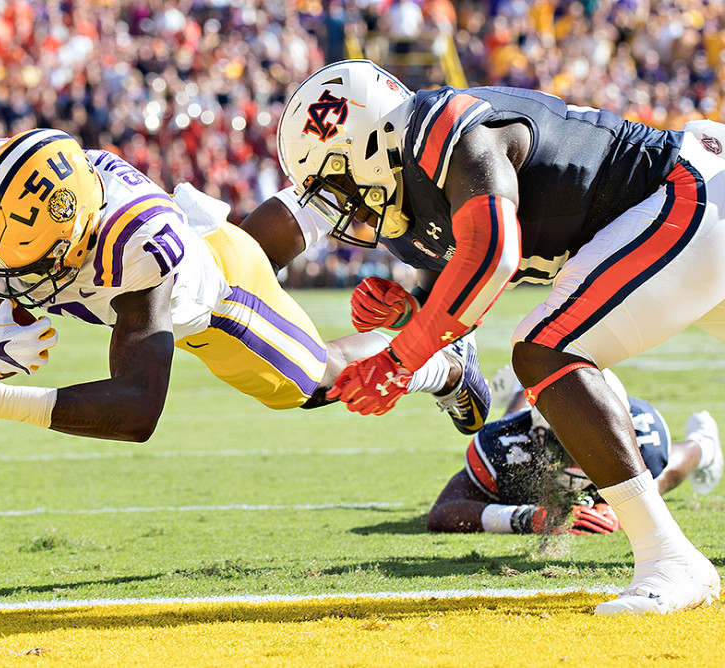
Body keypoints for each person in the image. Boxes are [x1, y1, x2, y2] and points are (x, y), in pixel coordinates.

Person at [260, 58, 725, 614]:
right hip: (690, 201)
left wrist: (401, 359)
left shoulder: (443, 131)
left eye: (338, 180)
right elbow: (471, 385)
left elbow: (493, 256)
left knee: (548, 349)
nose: (345, 204)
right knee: (544, 349)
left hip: (690, 187)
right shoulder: (414, 226)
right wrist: (414, 317)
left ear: (373, 139)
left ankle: (667, 558)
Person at [0, 129, 490, 444]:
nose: (14, 277)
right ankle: (325, 198)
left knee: (315, 381)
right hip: (192, 235)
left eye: (37, 264)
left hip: (215, 298)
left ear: (75, 235)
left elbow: (138, 408)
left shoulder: (133, 249)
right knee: (246, 244)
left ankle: (444, 363)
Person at [428, 368, 723, 535]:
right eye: (567, 442)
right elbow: (442, 512)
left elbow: (653, 481)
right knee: (510, 425)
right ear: (540, 433)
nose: (579, 455)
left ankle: (703, 443)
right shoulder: (506, 443)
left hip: (618, 444)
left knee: (667, 472)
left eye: (594, 440)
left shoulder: (644, 439)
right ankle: (523, 388)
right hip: (526, 429)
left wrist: (628, 508)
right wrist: (524, 517)